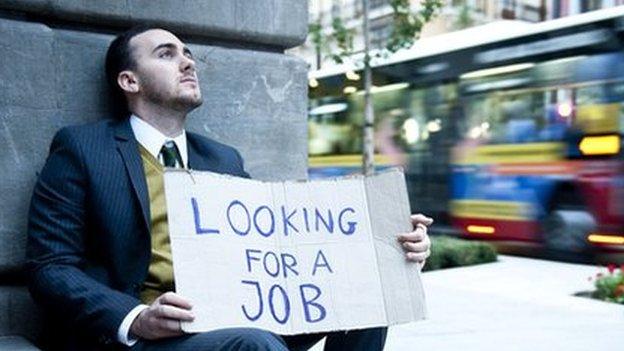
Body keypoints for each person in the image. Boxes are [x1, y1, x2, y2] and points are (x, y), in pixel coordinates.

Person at [26, 25, 433, 351]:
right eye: (166, 54)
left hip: (240, 316)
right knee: (254, 343)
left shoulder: (222, 159)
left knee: (368, 299)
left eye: (188, 54)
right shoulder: (83, 148)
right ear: (130, 80)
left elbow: (280, 244)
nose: (187, 62)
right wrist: (136, 318)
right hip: (152, 335)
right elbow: (50, 267)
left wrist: (389, 244)